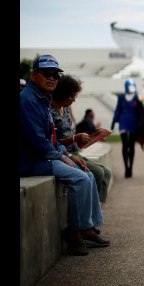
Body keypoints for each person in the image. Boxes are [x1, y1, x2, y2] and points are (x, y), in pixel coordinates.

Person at [20, 55, 110, 256]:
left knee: (87, 174)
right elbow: (38, 142)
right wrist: (63, 157)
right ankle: (73, 233)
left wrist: (68, 155)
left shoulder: (42, 98)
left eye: (55, 75)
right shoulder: (27, 100)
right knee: (79, 177)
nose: (52, 78)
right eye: (46, 74)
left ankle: (87, 228)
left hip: (47, 155)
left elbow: (51, 140)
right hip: (33, 161)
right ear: (34, 76)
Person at [50, 75, 113, 204]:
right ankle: (92, 210)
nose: (73, 100)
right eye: (71, 96)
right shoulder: (50, 111)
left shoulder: (66, 109)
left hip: (75, 151)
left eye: (75, 96)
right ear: (63, 93)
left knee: (106, 172)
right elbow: (52, 141)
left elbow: (70, 134)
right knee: (98, 173)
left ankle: (97, 208)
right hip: (64, 154)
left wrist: (84, 139)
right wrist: (74, 138)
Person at [111, 78, 144, 178]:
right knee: (125, 146)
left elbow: (141, 111)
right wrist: (114, 121)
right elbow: (118, 109)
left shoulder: (138, 97)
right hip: (123, 122)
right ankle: (126, 167)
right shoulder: (121, 97)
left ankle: (131, 167)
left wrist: (141, 123)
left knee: (132, 146)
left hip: (134, 123)